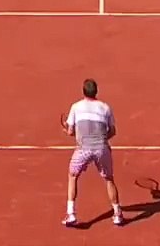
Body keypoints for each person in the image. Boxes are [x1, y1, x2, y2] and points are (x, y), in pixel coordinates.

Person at [61, 79, 124, 228]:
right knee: (109, 179)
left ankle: (71, 213)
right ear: (96, 92)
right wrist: (101, 139)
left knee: (72, 175)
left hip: (83, 149)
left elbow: (71, 131)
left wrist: (68, 131)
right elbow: (112, 131)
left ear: (83, 91)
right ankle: (117, 213)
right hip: (102, 149)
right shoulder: (105, 108)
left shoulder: (76, 107)